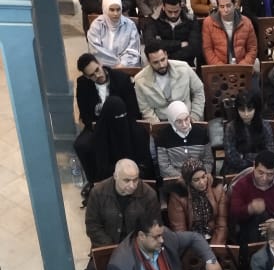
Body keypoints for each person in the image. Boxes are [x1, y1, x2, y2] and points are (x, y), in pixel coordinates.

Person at [84, 159, 159, 270]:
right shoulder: (98, 192)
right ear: (115, 176)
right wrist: (113, 249)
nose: (132, 185)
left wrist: (136, 247)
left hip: (137, 248)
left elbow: (153, 226)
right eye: (127, 180)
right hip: (106, 247)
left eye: (136, 179)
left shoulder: (148, 195)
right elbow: (92, 226)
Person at [74, 52, 142, 188]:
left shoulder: (121, 78)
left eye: (97, 70)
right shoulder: (83, 83)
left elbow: (133, 109)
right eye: (92, 75)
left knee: (137, 136)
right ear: (86, 76)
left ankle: (135, 175)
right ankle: (94, 182)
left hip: (121, 122)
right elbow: (85, 113)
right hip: (97, 125)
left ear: (100, 64)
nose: (97, 75)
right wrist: (94, 124)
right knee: (81, 145)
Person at [229, 150, 274, 244]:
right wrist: (250, 208)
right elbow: (234, 213)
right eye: (260, 172)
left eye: (270, 174)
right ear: (254, 166)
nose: (264, 178)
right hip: (252, 230)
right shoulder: (241, 184)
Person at [135, 47, 205, 122]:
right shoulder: (140, 80)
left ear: (166, 55)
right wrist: (157, 126)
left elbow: (198, 91)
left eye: (163, 60)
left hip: (187, 119)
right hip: (161, 121)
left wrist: (195, 115)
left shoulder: (184, 68)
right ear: (148, 61)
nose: (161, 65)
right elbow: (145, 109)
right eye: (155, 62)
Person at [167, 158, 227, 242]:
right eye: (196, 180)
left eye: (203, 177)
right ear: (188, 182)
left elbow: (221, 225)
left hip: (213, 237)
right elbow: (180, 229)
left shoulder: (217, 189)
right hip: (191, 241)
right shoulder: (177, 196)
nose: (202, 182)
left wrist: (216, 246)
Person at [222, 90, 274, 177]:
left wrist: (245, 156)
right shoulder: (230, 127)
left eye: (250, 109)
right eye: (242, 110)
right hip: (236, 171)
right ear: (237, 110)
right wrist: (256, 158)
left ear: (256, 109)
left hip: (262, 169)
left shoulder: (265, 125)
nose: (246, 114)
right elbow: (232, 158)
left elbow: (270, 153)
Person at [156, 100, 213, 179]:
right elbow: (164, 166)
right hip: (176, 179)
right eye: (179, 121)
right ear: (172, 121)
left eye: (186, 119)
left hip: (200, 177)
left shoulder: (201, 133)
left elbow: (208, 161)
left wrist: (201, 176)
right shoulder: (163, 136)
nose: (184, 125)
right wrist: (184, 178)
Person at [143, 0, 201, 67]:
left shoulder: (190, 20)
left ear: (181, 6)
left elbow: (194, 48)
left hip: (185, 64)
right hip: (161, 65)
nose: (173, 15)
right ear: (163, 7)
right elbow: (150, 44)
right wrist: (179, 44)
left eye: (176, 11)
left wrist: (168, 56)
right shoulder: (154, 20)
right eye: (169, 12)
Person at [202, 0, 257, 67]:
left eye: (228, 6)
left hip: (242, 66)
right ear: (218, 7)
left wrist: (243, 66)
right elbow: (208, 50)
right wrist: (222, 68)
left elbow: (252, 48)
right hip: (219, 68)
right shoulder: (208, 23)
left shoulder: (246, 22)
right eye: (222, 7)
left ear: (235, 5)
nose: (225, 10)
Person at [86, 0, 141, 68]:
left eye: (118, 9)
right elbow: (95, 51)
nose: (116, 13)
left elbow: (133, 50)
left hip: (126, 67)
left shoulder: (130, 25)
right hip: (102, 68)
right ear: (105, 9)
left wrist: (123, 64)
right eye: (112, 10)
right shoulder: (96, 25)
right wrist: (116, 64)